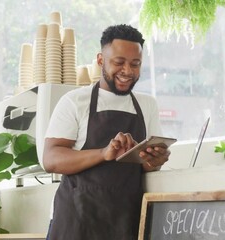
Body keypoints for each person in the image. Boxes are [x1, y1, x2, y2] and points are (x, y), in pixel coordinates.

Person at [42, 24, 171, 240]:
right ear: (100, 60)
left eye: (135, 64)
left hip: (124, 221)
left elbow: (148, 167)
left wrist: (156, 159)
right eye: (119, 62)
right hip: (75, 221)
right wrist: (103, 153)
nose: (127, 71)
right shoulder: (75, 101)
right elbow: (51, 159)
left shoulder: (147, 105)